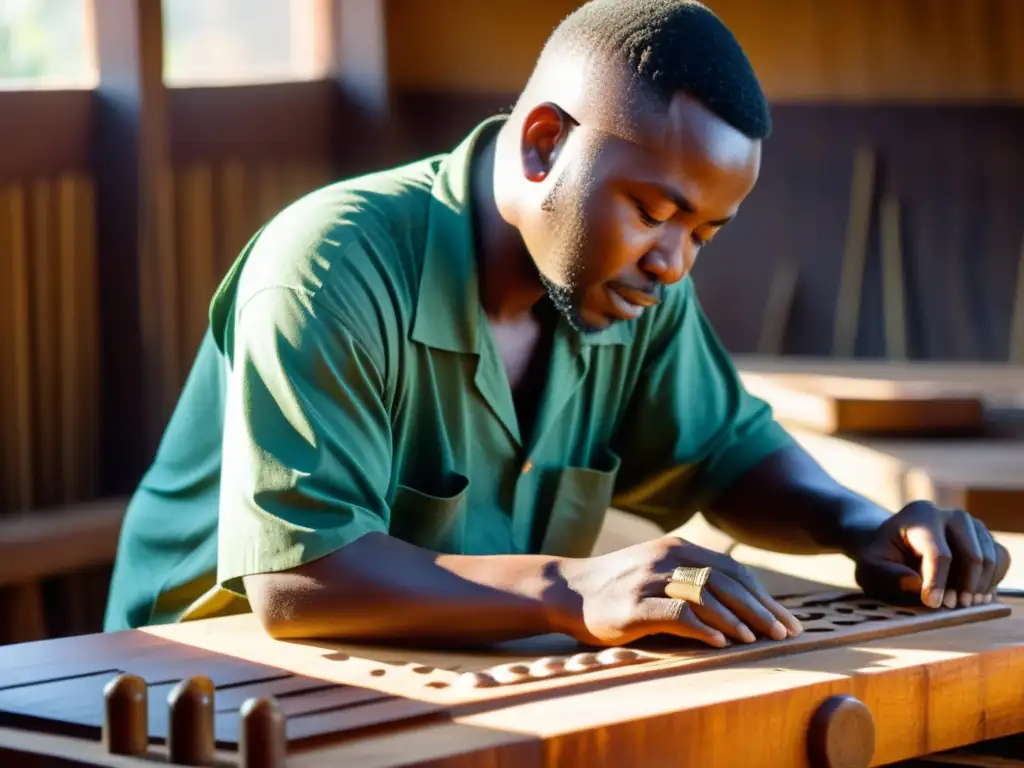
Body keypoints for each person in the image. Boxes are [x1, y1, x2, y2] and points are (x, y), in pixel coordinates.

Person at [105, 0, 1010, 648]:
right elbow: (299, 582)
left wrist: (861, 527)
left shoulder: (627, 286)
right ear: (543, 143)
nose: (675, 260)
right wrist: (573, 588)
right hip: (192, 693)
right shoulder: (328, 268)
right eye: (655, 209)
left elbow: (727, 454)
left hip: (438, 675)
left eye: (705, 231)